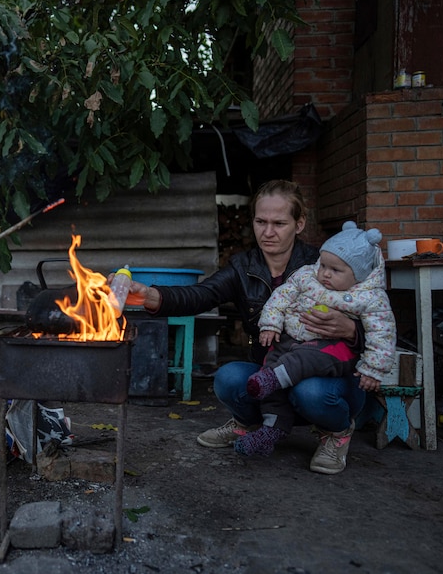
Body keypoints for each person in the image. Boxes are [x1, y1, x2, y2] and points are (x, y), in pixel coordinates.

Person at [123, 180, 366, 474]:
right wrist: (150, 295)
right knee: (228, 377)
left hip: (326, 379)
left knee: (309, 391)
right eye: (260, 221)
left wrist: (351, 330)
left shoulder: (325, 265)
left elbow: (379, 325)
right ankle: (248, 425)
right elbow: (203, 294)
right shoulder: (243, 267)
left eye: (279, 223)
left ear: (299, 224)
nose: (268, 232)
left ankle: (338, 432)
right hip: (273, 375)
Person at [238, 221, 397, 457]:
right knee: (272, 366)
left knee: (296, 363)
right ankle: (271, 429)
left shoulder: (370, 297)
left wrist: (373, 368)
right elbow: (280, 296)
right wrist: (271, 323)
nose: (325, 273)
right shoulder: (307, 276)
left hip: (332, 351)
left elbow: (382, 333)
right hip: (292, 341)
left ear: (359, 274)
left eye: (336, 270)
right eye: (323, 265)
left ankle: (337, 433)